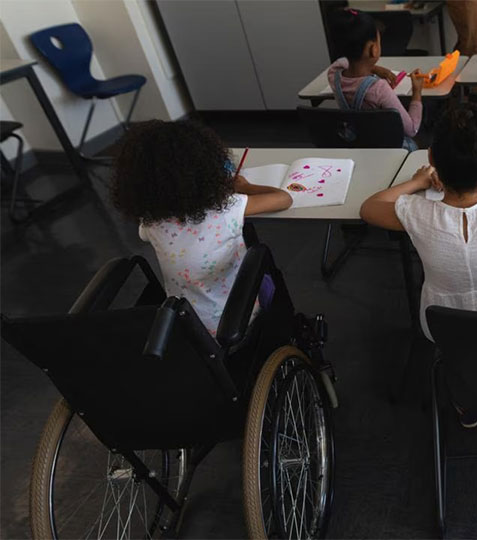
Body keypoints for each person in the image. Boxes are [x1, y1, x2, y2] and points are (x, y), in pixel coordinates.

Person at [360, 102, 477, 341]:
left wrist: (419, 182)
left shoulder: (417, 214)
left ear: (431, 158)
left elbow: (369, 207)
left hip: (446, 331)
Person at [111, 120, 293, 335]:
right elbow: (283, 199)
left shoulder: (151, 222)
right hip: (237, 319)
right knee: (267, 276)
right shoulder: (226, 211)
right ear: (208, 170)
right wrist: (246, 187)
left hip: (185, 324)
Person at [326, 8, 425, 151]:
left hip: (359, 145)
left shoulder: (333, 75)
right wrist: (417, 92)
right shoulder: (379, 89)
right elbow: (412, 129)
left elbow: (341, 62)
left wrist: (373, 68)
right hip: (390, 148)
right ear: (373, 49)